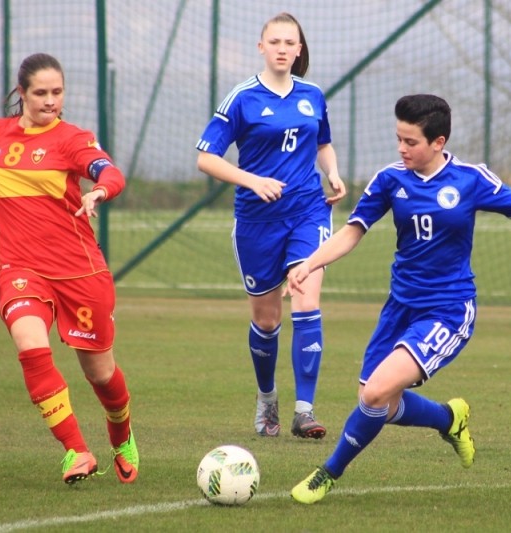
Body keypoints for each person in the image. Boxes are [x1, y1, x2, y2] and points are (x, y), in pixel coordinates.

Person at [286, 94, 511, 503]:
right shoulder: (389, 180)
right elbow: (352, 232)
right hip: (400, 308)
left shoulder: (470, 179)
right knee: (379, 403)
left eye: (411, 142)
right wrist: (310, 263)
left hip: (448, 309)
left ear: (438, 142)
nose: (401, 149)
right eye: (398, 139)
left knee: (375, 393)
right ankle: (449, 418)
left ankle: (327, 474)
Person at [0, 53, 140, 485]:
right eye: (41, 93)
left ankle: (122, 437)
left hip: (79, 272)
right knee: (29, 345)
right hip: (20, 268)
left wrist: (99, 191)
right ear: (21, 92)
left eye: (57, 92)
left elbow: (109, 171)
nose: (50, 101)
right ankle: (76, 451)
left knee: (100, 374)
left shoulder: (72, 139)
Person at [196, 12, 347, 439]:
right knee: (266, 321)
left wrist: (333, 173)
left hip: (308, 211)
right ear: (261, 47)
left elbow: (323, 142)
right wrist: (252, 180)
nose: (282, 49)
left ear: (299, 50)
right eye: (274, 42)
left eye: (289, 43)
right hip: (256, 222)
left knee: (306, 298)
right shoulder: (242, 98)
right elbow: (206, 158)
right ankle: (267, 398)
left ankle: (305, 411)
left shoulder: (313, 95)